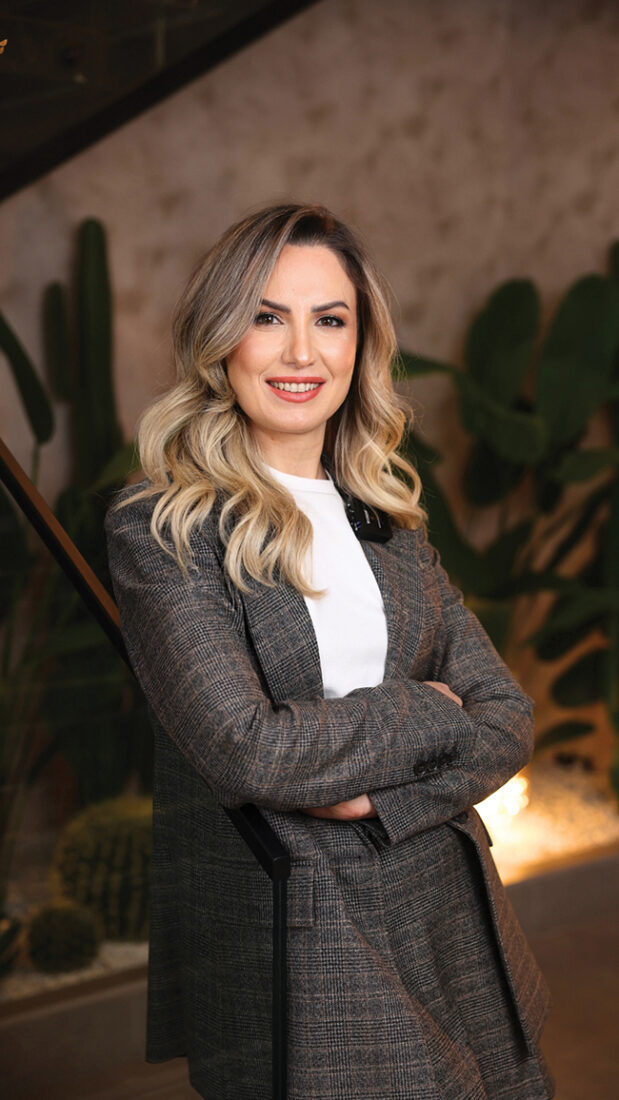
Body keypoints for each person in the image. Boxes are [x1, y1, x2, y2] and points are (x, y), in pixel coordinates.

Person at [105, 203, 554, 1100]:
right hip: (312, 932)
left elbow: (506, 719)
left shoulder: (386, 517)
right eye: (267, 317)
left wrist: (369, 799)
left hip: (456, 915)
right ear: (221, 339)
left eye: (330, 320)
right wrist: (428, 710)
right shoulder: (166, 527)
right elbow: (248, 750)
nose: (301, 352)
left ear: (361, 343)